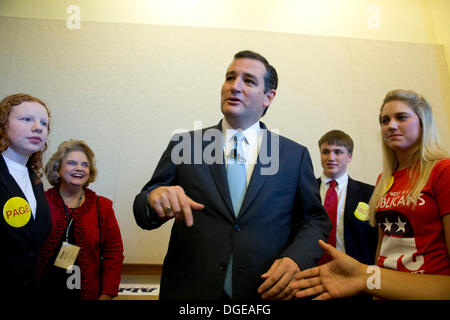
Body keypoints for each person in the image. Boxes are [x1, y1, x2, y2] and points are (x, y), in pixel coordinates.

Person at [133, 50, 331, 300]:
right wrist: (153, 199)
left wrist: (296, 259)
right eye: (229, 77)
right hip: (191, 292)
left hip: (264, 293)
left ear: (269, 96)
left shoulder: (294, 155)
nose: (234, 86)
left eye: (248, 81)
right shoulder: (185, 145)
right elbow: (142, 208)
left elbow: (314, 220)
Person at [292, 89, 450, 300]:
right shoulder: (384, 180)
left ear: (423, 122)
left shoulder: (443, 170)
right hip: (380, 288)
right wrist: (372, 285)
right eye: (385, 120)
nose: (391, 125)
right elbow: (382, 248)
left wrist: (364, 278)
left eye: (401, 117)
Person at [36, 139, 124, 300]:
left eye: (85, 165)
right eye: (71, 163)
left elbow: (114, 254)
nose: (79, 168)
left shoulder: (102, 207)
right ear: (57, 169)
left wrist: (107, 294)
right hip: (43, 291)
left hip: (86, 294)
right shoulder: (40, 201)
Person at [0, 93, 52, 297]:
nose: (38, 127)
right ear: (3, 124)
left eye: (44, 123)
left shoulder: (35, 181)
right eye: (27, 119)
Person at [316, 130, 377, 266]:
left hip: (354, 270)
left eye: (338, 152)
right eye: (325, 152)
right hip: (311, 269)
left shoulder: (369, 193)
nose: (331, 158)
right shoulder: (306, 190)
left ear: (349, 156)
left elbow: (375, 239)